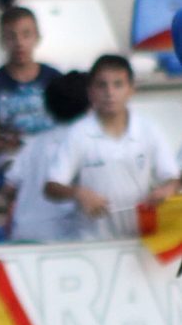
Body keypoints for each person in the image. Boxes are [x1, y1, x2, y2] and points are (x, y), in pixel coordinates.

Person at [45, 55, 180, 240]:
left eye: (118, 85)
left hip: (140, 243)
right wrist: (78, 193)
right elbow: (51, 186)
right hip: (92, 242)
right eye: (102, 85)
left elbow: (172, 178)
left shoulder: (148, 130)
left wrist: (166, 190)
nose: (110, 93)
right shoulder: (78, 133)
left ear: (131, 89)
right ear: (91, 91)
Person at [0, 6, 61, 175]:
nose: (19, 43)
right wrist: (14, 146)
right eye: (11, 36)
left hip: (51, 150)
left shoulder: (54, 78)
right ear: (1, 42)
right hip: (12, 155)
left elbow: (69, 123)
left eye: (26, 35)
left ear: (37, 37)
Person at [5, 71, 88, 242]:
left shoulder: (34, 143)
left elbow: (9, 188)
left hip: (24, 237)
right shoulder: (86, 144)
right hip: (63, 241)